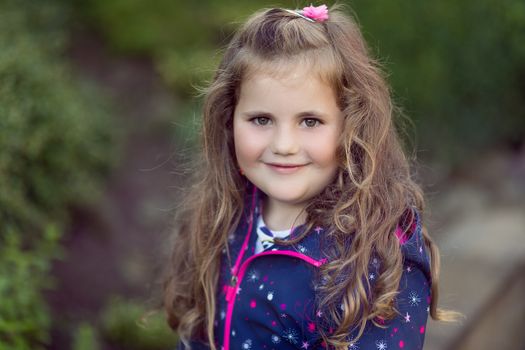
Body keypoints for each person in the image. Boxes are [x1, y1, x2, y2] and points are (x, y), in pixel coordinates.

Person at [163, 4, 458, 349]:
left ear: (352, 125)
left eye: (310, 121)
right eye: (261, 119)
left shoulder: (377, 256)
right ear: (228, 120)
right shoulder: (223, 215)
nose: (284, 145)